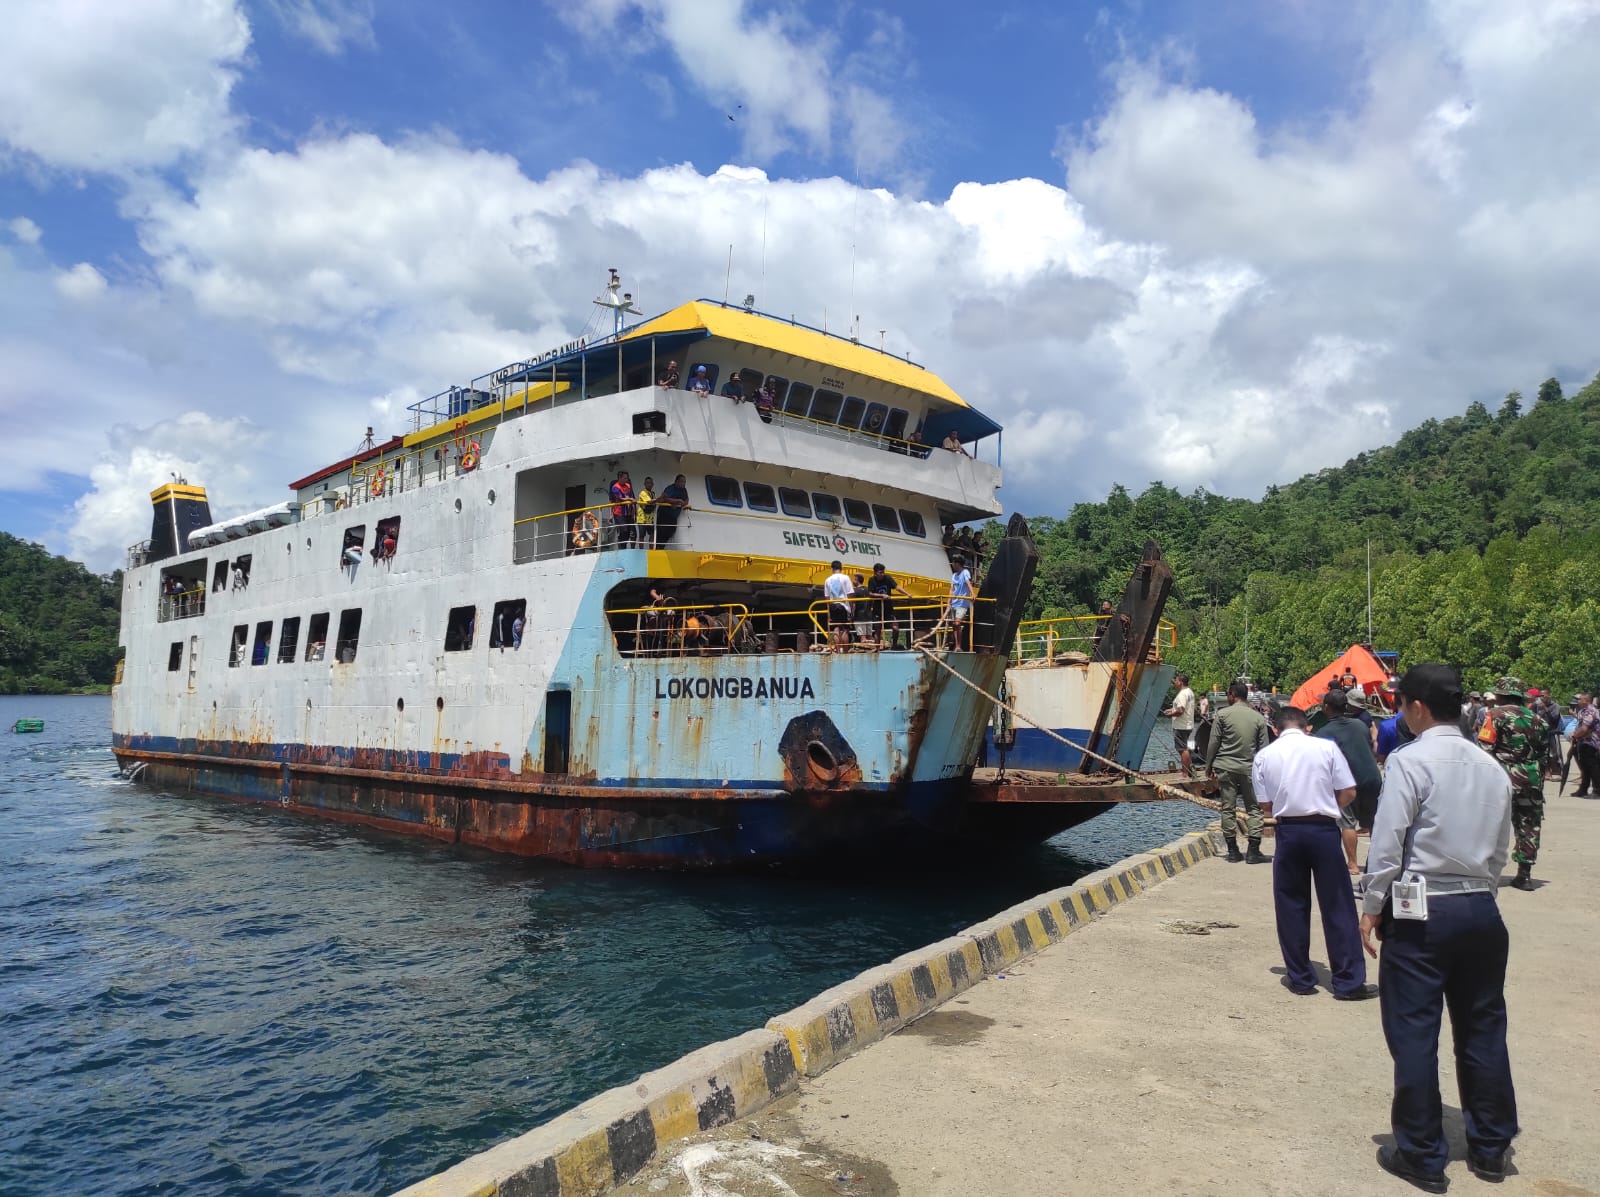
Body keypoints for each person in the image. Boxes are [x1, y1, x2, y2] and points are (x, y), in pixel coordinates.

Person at [1360, 664, 1517, 1192]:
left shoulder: (1409, 761)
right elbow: (1499, 850)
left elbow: (1388, 842)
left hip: (1422, 911)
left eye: (1401, 704)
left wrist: (1372, 905)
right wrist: (1483, 894)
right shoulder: (1491, 766)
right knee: (1483, 1026)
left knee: (1414, 1031)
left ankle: (1422, 1154)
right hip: (1480, 908)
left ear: (1418, 707)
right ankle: (1491, 1147)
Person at [1252, 705, 1375, 999]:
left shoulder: (1264, 756)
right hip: (1323, 829)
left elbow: (1265, 805)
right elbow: (1349, 791)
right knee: (1338, 904)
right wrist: (1326, 804)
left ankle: (1300, 978)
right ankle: (1348, 982)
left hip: (1288, 831)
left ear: (1275, 729)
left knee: (1291, 904)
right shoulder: (1326, 748)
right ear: (1307, 726)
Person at [1478, 677, 1550, 891]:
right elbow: (1543, 754)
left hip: (1502, 779)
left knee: (1489, 825)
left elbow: (1484, 750)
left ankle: (1484, 872)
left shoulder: (1494, 715)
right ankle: (1524, 875)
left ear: (1501, 695)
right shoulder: (1538, 720)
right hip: (1531, 780)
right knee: (1529, 825)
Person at [1316, 688, 1384, 875]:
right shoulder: (1360, 725)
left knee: (1348, 823)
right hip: (1372, 777)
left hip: (1348, 782)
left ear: (1326, 707)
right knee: (1374, 823)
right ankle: (1375, 863)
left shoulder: (1323, 733)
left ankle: (1353, 864)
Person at [1205, 680, 1271, 863]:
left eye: (1228, 694)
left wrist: (1209, 765)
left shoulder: (1222, 714)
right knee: (1254, 809)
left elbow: (1214, 742)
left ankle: (1233, 851)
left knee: (1228, 808)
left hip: (1225, 767)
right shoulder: (1258, 718)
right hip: (1249, 768)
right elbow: (1264, 749)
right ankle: (1253, 851)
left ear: (1233, 695)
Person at [866, 562, 910, 649]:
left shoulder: (888, 578)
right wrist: (882, 595)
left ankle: (894, 646)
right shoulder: (871, 580)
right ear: (875, 573)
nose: (882, 574)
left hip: (889, 608)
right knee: (878, 630)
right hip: (877, 609)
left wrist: (907, 594)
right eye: (880, 572)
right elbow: (870, 593)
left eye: (883, 572)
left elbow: (897, 587)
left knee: (895, 628)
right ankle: (877, 649)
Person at [1163, 674, 1197, 778]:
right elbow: (1184, 708)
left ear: (1181, 682)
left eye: (1176, 680)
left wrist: (1170, 715)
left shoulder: (1182, 694)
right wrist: (1171, 709)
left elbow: (1181, 710)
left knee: (1182, 749)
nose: (1175, 682)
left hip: (1181, 726)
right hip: (1188, 724)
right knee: (1184, 748)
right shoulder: (1189, 692)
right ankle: (1190, 770)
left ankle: (1185, 773)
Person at [1572, 692, 1600, 797]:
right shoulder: (1583, 711)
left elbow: (1584, 729)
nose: (1578, 701)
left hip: (1591, 742)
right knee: (1584, 767)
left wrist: (1575, 735)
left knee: (1592, 766)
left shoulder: (1590, 711)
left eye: (1580, 699)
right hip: (1584, 741)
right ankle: (1583, 789)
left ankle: (1597, 790)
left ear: (1586, 701)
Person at [822, 560, 854, 649]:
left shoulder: (827, 580)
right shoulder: (845, 578)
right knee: (845, 629)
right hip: (844, 606)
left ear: (832, 569)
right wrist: (851, 608)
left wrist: (828, 610)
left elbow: (827, 597)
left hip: (833, 606)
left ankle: (838, 650)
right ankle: (845, 651)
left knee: (836, 629)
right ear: (841, 568)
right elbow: (850, 594)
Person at [946, 554, 974, 650]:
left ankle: (959, 645)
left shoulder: (965, 572)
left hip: (962, 604)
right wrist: (948, 602)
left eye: (954, 563)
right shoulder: (954, 575)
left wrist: (972, 593)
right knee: (954, 625)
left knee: (957, 623)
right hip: (954, 603)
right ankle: (956, 645)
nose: (952, 565)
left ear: (958, 564)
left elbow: (968, 582)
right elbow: (952, 589)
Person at [654, 474, 689, 546]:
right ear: (676, 481)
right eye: (682, 481)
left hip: (673, 517)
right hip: (664, 515)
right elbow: (664, 498)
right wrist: (677, 501)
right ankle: (658, 548)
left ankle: (661, 547)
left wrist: (684, 503)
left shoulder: (684, 490)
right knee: (661, 534)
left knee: (670, 533)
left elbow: (686, 499)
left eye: (684, 482)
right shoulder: (670, 488)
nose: (683, 483)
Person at [609, 470, 636, 547]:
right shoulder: (615, 487)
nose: (626, 480)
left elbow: (631, 496)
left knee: (629, 531)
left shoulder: (628, 485)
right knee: (623, 530)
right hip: (619, 513)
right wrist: (630, 499)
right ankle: (622, 547)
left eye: (627, 478)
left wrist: (634, 510)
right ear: (619, 478)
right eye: (625, 478)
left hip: (628, 512)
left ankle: (625, 546)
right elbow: (620, 498)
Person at [636, 476, 657, 542]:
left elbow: (654, 502)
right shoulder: (643, 492)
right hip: (642, 518)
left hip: (650, 519)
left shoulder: (653, 494)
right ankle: (641, 548)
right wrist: (659, 499)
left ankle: (651, 548)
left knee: (652, 534)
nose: (649, 484)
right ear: (644, 484)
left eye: (651, 483)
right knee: (642, 536)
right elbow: (649, 501)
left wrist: (658, 500)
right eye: (647, 483)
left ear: (653, 484)